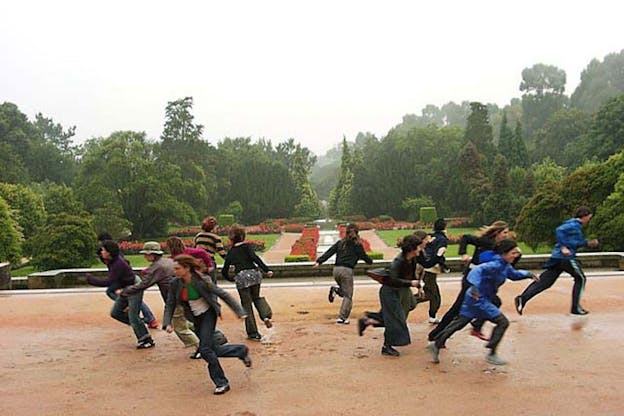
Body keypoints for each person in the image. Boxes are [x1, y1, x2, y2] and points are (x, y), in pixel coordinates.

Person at [427, 239, 538, 366]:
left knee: (460, 323)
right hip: (479, 298)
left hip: (475, 297)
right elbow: (476, 271)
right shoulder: (495, 264)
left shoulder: (504, 265)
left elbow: (513, 274)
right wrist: (474, 286)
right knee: (502, 322)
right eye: (513, 253)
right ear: (504, 253)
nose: (516, 255)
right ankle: (492, 353)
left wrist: (528, 274)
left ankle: (436, 344)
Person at [163, 255, 251, 395]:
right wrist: (167, 322)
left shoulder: (202, 280)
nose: (175, 271)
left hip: (208, 315)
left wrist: (239, 311)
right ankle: (240, 350)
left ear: (187, 268)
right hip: (195, 318)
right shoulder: (175, 283)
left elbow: (223, 295)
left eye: (178, 268)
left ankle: (221, 383)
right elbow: (170, 303)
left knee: (204, 350)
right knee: (212, 349)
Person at [428, 220, 510, 342]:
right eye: (505, 232)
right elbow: (465, 238)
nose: (506, 235)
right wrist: (463, 254)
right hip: (471, 279)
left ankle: (475, 326)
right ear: (497, 232)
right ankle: (436, 335)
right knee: (458, 309)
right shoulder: (485, 241)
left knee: (494, 302)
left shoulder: (498, 246)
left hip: (480, 281)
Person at [119, 241, 201, 358]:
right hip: (186, 296)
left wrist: (125, 292)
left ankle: (201, 348)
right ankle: (213, 336)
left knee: (180, 328)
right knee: (187, 321)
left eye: (146, 254)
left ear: (152, 254)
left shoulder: (157, 267)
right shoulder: (168, 261)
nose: (145, 256)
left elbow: (144, 284)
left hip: (176, 300)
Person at [515, 206, 599, 316]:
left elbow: (575, 242)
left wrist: (587, 243)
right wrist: (564, 246)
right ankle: (575, 308)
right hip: (566, 258)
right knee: (581, 278)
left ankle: (523, 298)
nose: (589, 220)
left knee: (545, 282)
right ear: (585, 216)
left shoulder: (573, 225)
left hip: (557, 258)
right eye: (589, 217)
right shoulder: (574, 225)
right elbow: (559, 230)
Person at [357, 234, 425, 357]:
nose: (420, 249)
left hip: (401, 291)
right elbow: (393, 280)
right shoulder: (398, 261)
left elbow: (412, 275)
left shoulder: (412, 259)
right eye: (418, 247)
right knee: (395, 320)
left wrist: (418, 286)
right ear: (412, 249)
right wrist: (410, 283)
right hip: (390, 292)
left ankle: (367, 320)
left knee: (397, 315)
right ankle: (386, 346)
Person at [87, 240, 155, 349]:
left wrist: (92, 280)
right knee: (116, 313)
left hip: (133, 286)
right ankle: (140, 323)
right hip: (125, 287)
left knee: (133, 316)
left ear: (109, 252)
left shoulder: (118, 263)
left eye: (103, 250)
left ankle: (146, 339)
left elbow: (109, 282)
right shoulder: (111, 261)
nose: (101, 252)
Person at [222, 225, 274, 341]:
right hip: (254, 275)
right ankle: (265, 316)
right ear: (243, 236)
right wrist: (267, 270)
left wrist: (232, 278)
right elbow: (256, 259)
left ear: (231, 239)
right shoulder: (247, 247)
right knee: (256, 298)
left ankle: (253, 333)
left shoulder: (231, 252)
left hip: (241, 277)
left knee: (247, 305)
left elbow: (224, 271)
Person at [314, 223, 373, 324]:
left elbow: (330, 252)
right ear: (357, 233)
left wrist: (319, 261)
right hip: (346, 271)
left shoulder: (340, 243)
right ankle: (342, 318)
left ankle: (336, 289)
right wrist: (370, 262)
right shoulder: (357, 245)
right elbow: (364, 256)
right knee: (348, 296)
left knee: (344, 291)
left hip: (336, 270)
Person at [96, 232, 158, 328]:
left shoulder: (113, 252)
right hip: (125, 279)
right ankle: (148, 318)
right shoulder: (109, 252)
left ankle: (147, 318)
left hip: (127, 279)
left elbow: (123, 264)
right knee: (131, 298)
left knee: (131, 298)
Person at [415, 219, 449, 323]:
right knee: (433, 295)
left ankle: (432, 315)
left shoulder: (430, 236)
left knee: (432, 293)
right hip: (431, 268)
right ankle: (408, 302)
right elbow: (438, 253)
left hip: (425, 266)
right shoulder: (442, 239)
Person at [194, 216, 227, 282]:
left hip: (198, 263)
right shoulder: (215, 238)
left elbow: (195, 248)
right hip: (209, 262)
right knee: (212, 285)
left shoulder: (198, 236)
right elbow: (221, 253)